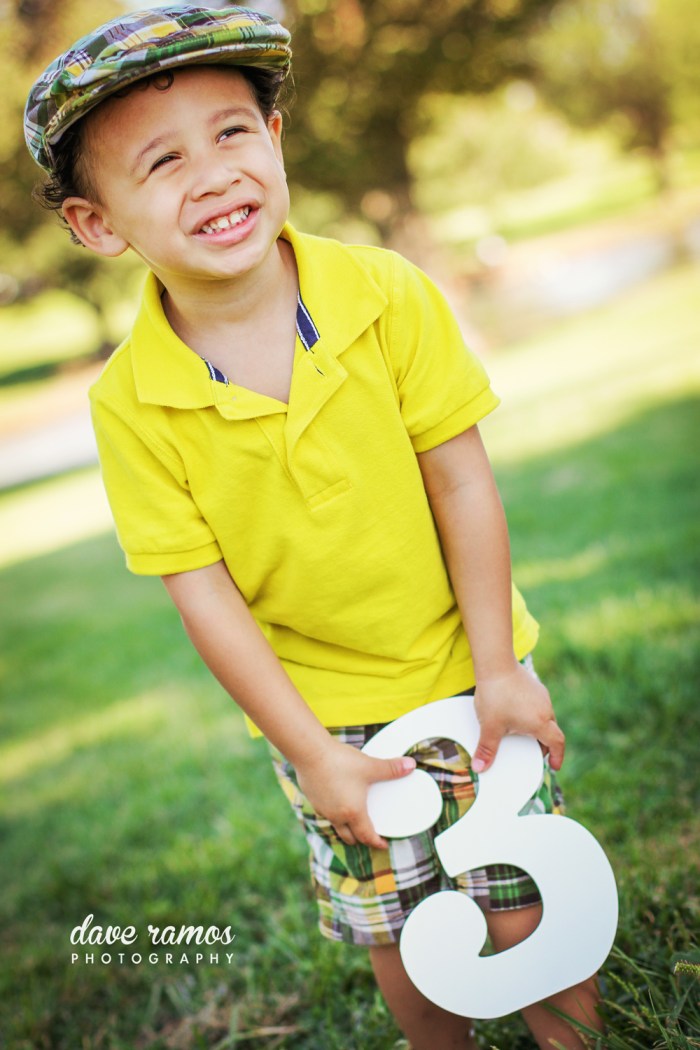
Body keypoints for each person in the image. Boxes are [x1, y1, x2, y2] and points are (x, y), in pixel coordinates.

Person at [25, 7, 603, 1047]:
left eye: (232, 133)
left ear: (277, 141)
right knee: (403, 925)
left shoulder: (384, 293)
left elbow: (461, 485)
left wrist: (498, 668)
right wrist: (312, 753)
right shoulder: (131, 404)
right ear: (96, 225)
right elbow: (204, 596)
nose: (211, 174)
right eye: (162, 160)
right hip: (326, 715)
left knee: (523, 891)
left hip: (465, 668)